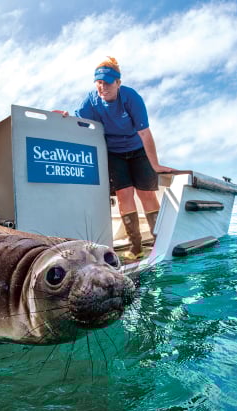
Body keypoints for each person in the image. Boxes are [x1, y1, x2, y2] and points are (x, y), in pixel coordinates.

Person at [57, 57, 176, 260]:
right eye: (99, 83)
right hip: (114, 153)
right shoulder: (91, 100)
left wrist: (155, 164)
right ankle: (136, 245)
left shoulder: (131, 97)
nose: (103, 87)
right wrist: (65, 116)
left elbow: (145, 133)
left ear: (118, 82)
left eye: (108, 83)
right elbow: (80, 121)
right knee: (124, 195)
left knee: (146, 194)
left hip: (137, 149)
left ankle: (159, 241)